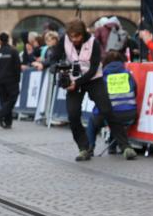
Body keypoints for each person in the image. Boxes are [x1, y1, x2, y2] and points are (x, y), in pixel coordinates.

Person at [46, 18, 137, 162]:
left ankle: (125, 146)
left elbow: (94, 68)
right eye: (72, 37)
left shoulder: (93, 42)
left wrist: (78, 83)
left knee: (106, 109)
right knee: (73, 115)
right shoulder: (65, 40)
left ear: (82, 34)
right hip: (73, 80)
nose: (74, 39)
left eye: (77, 37)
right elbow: (54, 57)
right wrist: (53, 67)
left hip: (93, 78)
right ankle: (84, 148)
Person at [87, 51, 138, 154]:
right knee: (115, 116)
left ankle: (89, 147)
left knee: (93, 120)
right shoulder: (128, 74)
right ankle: (113, 147)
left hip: (110, 115)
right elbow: (135, 91)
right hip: (130, 114)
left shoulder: (101, 76)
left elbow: (94, 97)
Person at [0, 32, 21, 129]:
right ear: (8, 39)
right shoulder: (13, 51)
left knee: (4, 101)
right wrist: (17, 79)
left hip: (0, 80)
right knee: (12, 99)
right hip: (11, 80)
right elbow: (17, 67)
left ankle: (8, 122)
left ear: (0, 40)